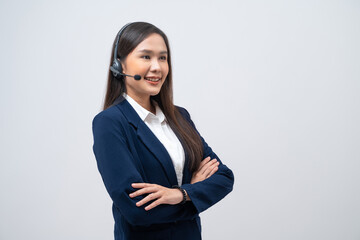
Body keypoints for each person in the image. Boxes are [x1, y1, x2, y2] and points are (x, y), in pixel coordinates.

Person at [92, 22, 234, 240]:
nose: (157, 67)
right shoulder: (110, 122)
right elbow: (136, 210)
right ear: (120, 65)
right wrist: (193, 196)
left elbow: (224, 177)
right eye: (146, 57)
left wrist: (181, 194)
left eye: (163, 58)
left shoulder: (180, 117)